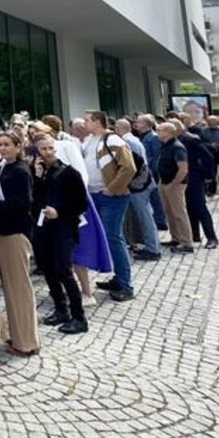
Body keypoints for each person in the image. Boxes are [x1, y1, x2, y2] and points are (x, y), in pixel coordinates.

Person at [31, 135, 89, 334]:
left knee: (64, 270)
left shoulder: (69, 173)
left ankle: (79, 317)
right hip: (43, 228)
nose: (47, 152)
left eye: (50, 148)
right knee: (48, 269)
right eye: (43, 149)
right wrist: (38, 179)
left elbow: (82, 203)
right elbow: (36, 200)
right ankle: (61, 309)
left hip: (64, 227)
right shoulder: (39, 174)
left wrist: (60, 212)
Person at [0, 132, 39, 356]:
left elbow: (22, 203)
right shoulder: (1, 167)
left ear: (18, 147)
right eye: (0, 144)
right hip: (1, 230)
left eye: (7, 145)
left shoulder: (20, 171)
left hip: (15, 232)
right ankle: (17, 335)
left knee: (19, 288)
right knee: (9, 288)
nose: (3, 148)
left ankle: (27, 341)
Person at [82, 110, 137, 302]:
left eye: (87, 120)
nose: (84, 123)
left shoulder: (112, 139)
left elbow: (128, 167)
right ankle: (118, 278)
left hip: (112, 196)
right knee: (108, 237)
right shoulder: (90, 141)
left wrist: (113, 188)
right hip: (96, 194)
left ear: (97, 121)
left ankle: (125, 284)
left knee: (114, 237)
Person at [116, 118, 161, 262]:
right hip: (141, 183)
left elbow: (134, 166)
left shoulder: (128, 142)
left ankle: (152, 248)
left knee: (145, 215)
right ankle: (148, 246)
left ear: (118, 128)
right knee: (143, 215)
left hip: (138, 185)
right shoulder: (134, 140)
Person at [154, 122, 194, 253]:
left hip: (174, 185)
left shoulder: (177, 147)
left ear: (168, 132)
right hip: (164, 182)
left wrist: (173, 184)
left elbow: (183, 169)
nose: (157, 132)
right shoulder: (165, 145)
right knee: (169, 212)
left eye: (160, 130)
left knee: (178, 213)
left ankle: (186, 242)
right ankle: (176, 237)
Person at [179, 121, 219, 249]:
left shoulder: (191, 140)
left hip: (194, 177)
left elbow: (208, 157)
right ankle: (194, 234)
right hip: (182, 178)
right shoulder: (174, 140)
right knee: (189, 207)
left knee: (200, 207)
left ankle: (211, 237)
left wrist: (209, 176)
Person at [134, 114, 168, 234]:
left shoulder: (153, 137)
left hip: (151, 172)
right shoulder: (142, 136)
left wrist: (151, 169)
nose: (136, 124)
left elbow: (157, 155)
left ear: (146, 124)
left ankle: (160, 221)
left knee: (156, 197)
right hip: (147, 171)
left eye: (139, 122)